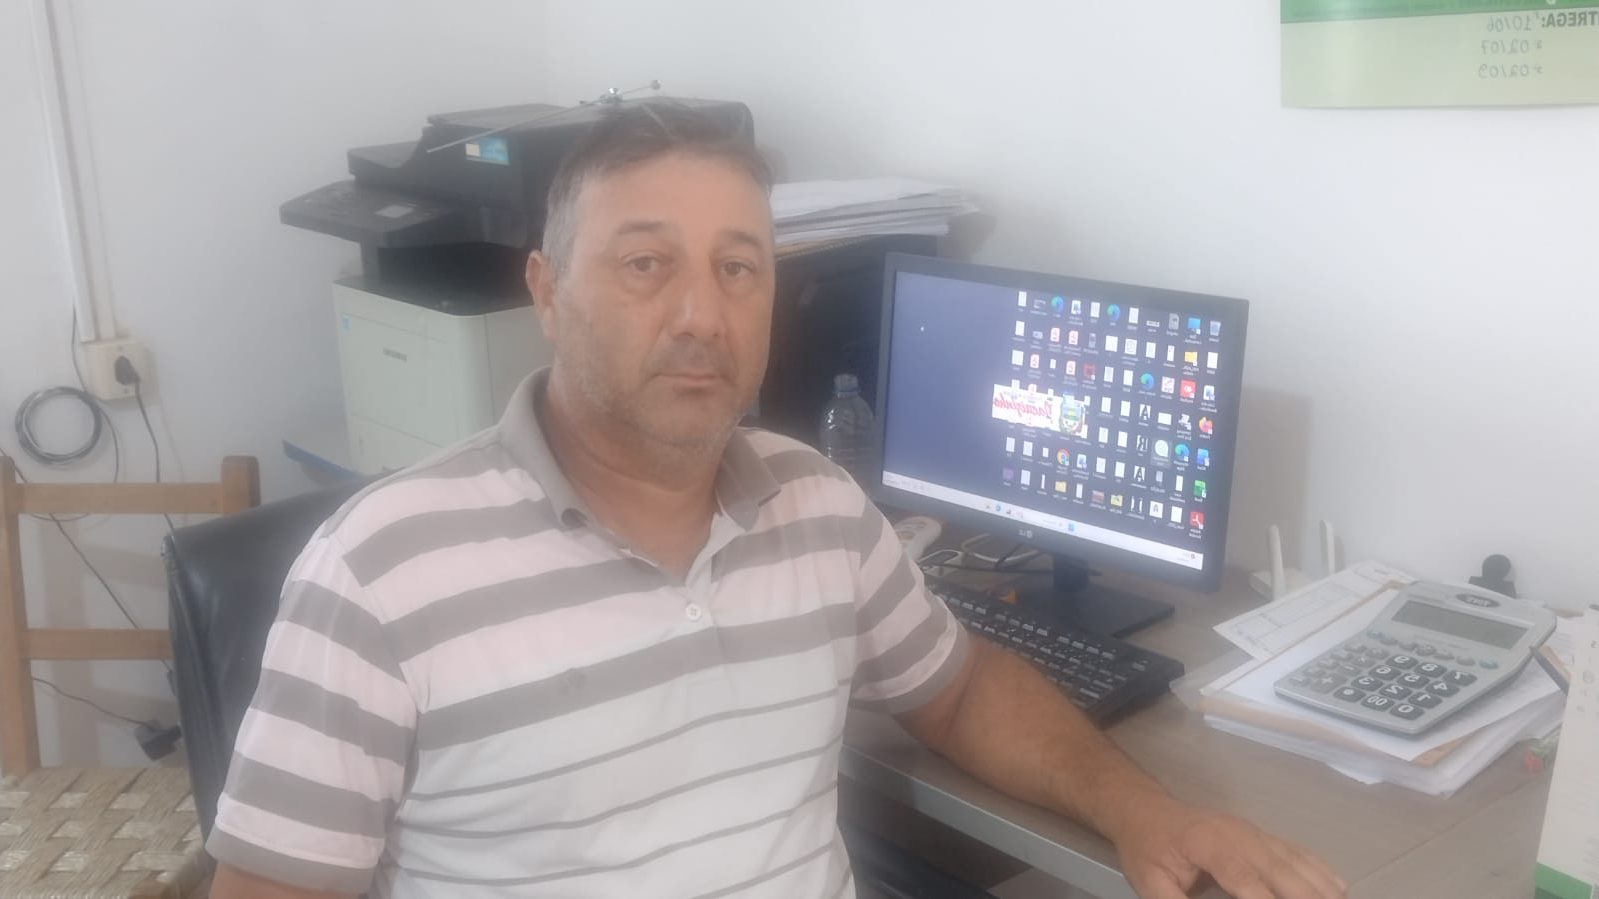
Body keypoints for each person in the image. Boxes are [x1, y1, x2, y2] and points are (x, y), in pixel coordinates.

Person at [209, 103, 1345, 899]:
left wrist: (1149, 813)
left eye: (738, 267)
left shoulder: (820, 509)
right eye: (646, 263)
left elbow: (961, 691)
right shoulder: (378, 570)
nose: (701, 313)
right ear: (548, 294)